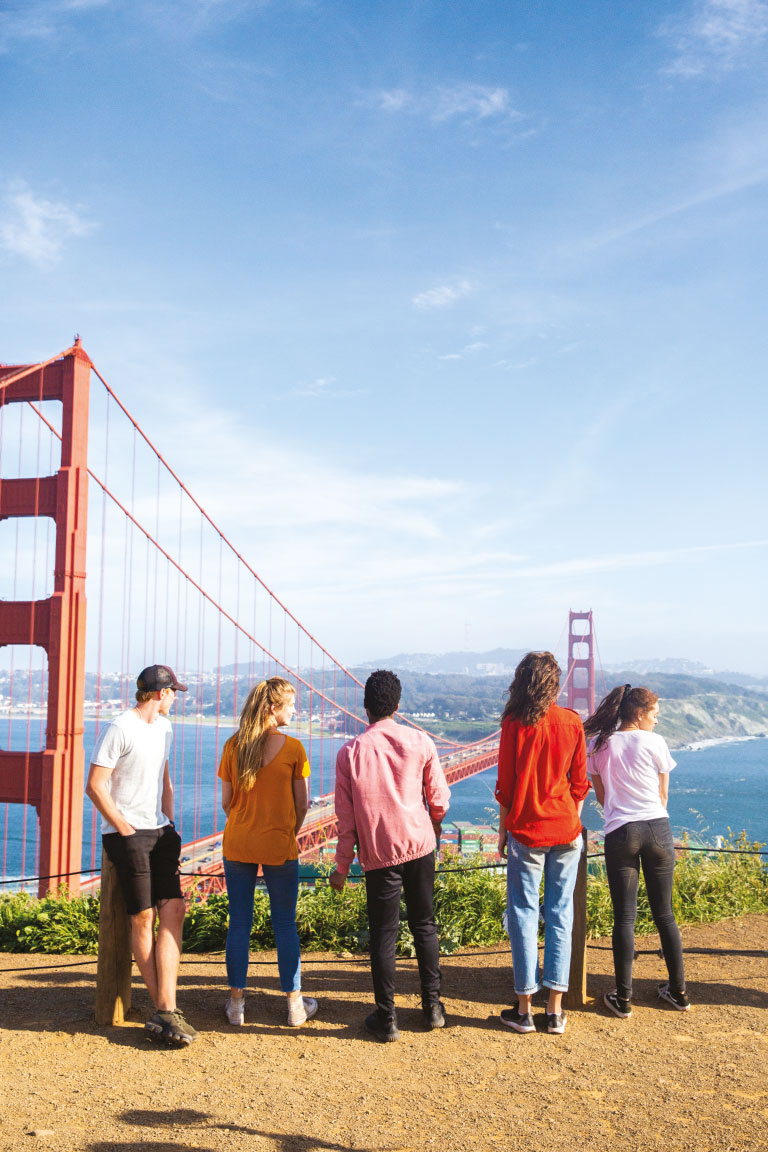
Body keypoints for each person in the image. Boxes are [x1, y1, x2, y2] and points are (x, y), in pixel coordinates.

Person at [329, 670, 450, 1041]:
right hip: (420, 845)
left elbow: (346, 823)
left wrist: (341, 866)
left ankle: (388, 1018)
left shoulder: (349, 753)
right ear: (397, 706)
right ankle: (432, 1008)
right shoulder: (420, 741)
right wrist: (435, 825)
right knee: (424, 925)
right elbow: (440, 800)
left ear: (365, 706)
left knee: (384, 934)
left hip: (380, 854)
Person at [86, 664, 196, 1046]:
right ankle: (167, 1009)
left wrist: (170, 819)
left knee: (174, 910)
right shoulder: (119, 727)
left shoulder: (164, 728)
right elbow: (95, 785)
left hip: (160, 830)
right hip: (127, 833)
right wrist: (124, 826)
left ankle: (166, 1011)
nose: (176, 699)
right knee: (143, 916)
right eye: (174, 692)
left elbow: (162, 775)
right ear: (162, 694)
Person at [495, 651, 589, 1036]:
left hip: (527, 833)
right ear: (555, 683)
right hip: (567, 832)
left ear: (522, 681)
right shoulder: (572, 722)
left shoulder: (514, 724)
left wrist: (503, 833)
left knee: (523, 913)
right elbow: (580, 783)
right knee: (560, 914)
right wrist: (572, 818)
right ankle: (555, 1011)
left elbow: (506, 788)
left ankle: (524, 1010)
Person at [584, 684, 690, 1018]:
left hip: (621, 832)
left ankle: (624, 998)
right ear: (640, 713)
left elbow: (601, 797)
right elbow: (663, 796)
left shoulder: (599, 744)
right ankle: (678, 992)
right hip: (658, 829)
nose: (657, 722)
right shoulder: (655, 742)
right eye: (655, 715)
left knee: (625, 917)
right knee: (665, 914)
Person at [218, 676, 317, 1027]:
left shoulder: (232, 747)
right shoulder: (294, 750)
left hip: (238, 843)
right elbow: (302, 804)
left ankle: (236, 1005)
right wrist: (285, 829)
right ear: (273, 709)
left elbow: (228, 803)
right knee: (285, 925)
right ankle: (294, 1006)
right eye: (291, 704)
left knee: (239, 924)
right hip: (279, 844)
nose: (295, 710)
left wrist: (248, 822)